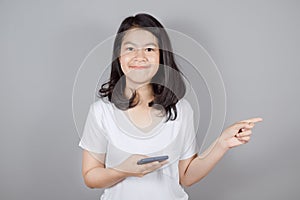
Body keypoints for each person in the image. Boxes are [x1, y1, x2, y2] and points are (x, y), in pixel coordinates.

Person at [79, 13, 263, 200]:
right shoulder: (101, 111)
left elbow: (186, 176)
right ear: (119, 56)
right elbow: (90, 177)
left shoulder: (181, 110)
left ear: (161, 57)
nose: (139, 57)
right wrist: (123, 170)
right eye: (130, 48)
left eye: (149, 49)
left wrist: (222, 143)